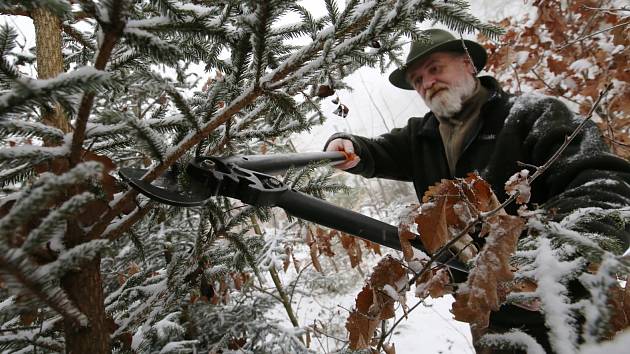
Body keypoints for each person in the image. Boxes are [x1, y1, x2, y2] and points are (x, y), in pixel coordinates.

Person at [324, 28, 630, 353]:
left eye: (435, 69)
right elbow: (374, 151)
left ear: (469, 64)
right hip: (486, 314)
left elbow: (607, 187)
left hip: (574, 304)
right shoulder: (422, 136)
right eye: (417, 80)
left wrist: (549, 261)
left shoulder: (531, 115)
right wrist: (346, 145)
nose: (427, 83)